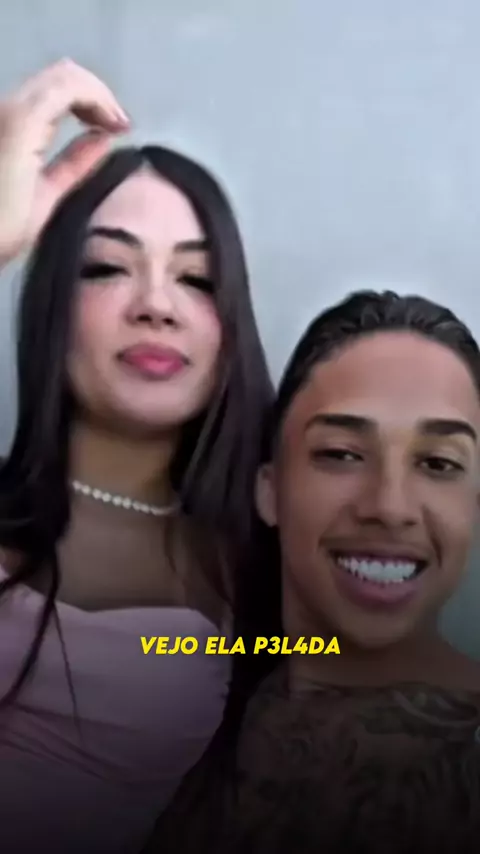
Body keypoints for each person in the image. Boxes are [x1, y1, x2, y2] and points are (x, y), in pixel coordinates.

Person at [0, 59, 274, 853]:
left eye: (197, 278)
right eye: (108, 267)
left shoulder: (260, 565)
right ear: (50, 303)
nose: (156, 304)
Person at [144, 290, 480, 853]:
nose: (389, 506)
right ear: (270, 490)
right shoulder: (195, 693)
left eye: (438, 463)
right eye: (342, 454)